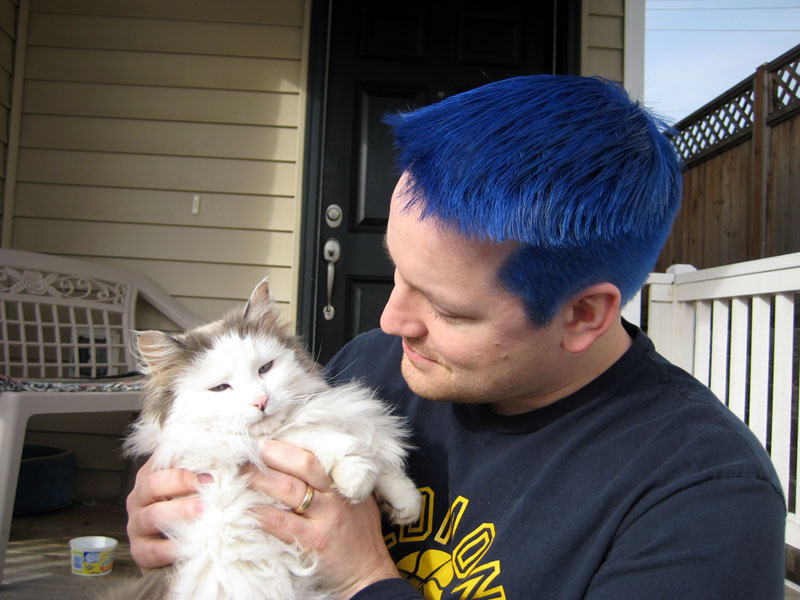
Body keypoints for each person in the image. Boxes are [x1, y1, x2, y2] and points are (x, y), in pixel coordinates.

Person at [125, 75, 786, 599]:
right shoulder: (374, 367)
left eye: (446, 308)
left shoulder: (703, 496)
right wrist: (170, 529)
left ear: (583, 315)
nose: (389, 321)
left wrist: (365, 582)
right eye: (396, 272)